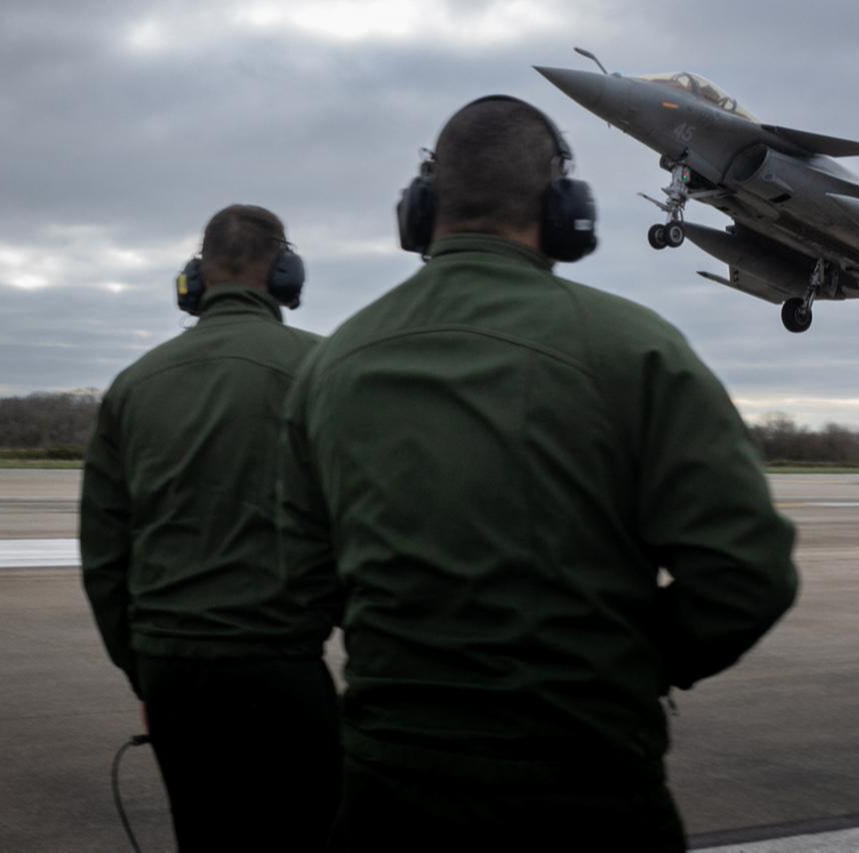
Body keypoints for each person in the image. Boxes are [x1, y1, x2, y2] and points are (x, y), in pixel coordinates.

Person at [279, 97, 798, 852]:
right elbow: (750, 573)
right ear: (563, 209)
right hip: (588, 791)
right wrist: (633, 661)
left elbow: (297, 590)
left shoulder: (330, 366)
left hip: (391, 795)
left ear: (421, 209)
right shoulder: (640, 349)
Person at [80, 204, 340, 851]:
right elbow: (367, 524)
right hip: (283, 664)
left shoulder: (132, 386)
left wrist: (143, 669)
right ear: (285, 272)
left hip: (174, 674)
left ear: (194, 280)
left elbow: (105, 555)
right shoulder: (326, 369)